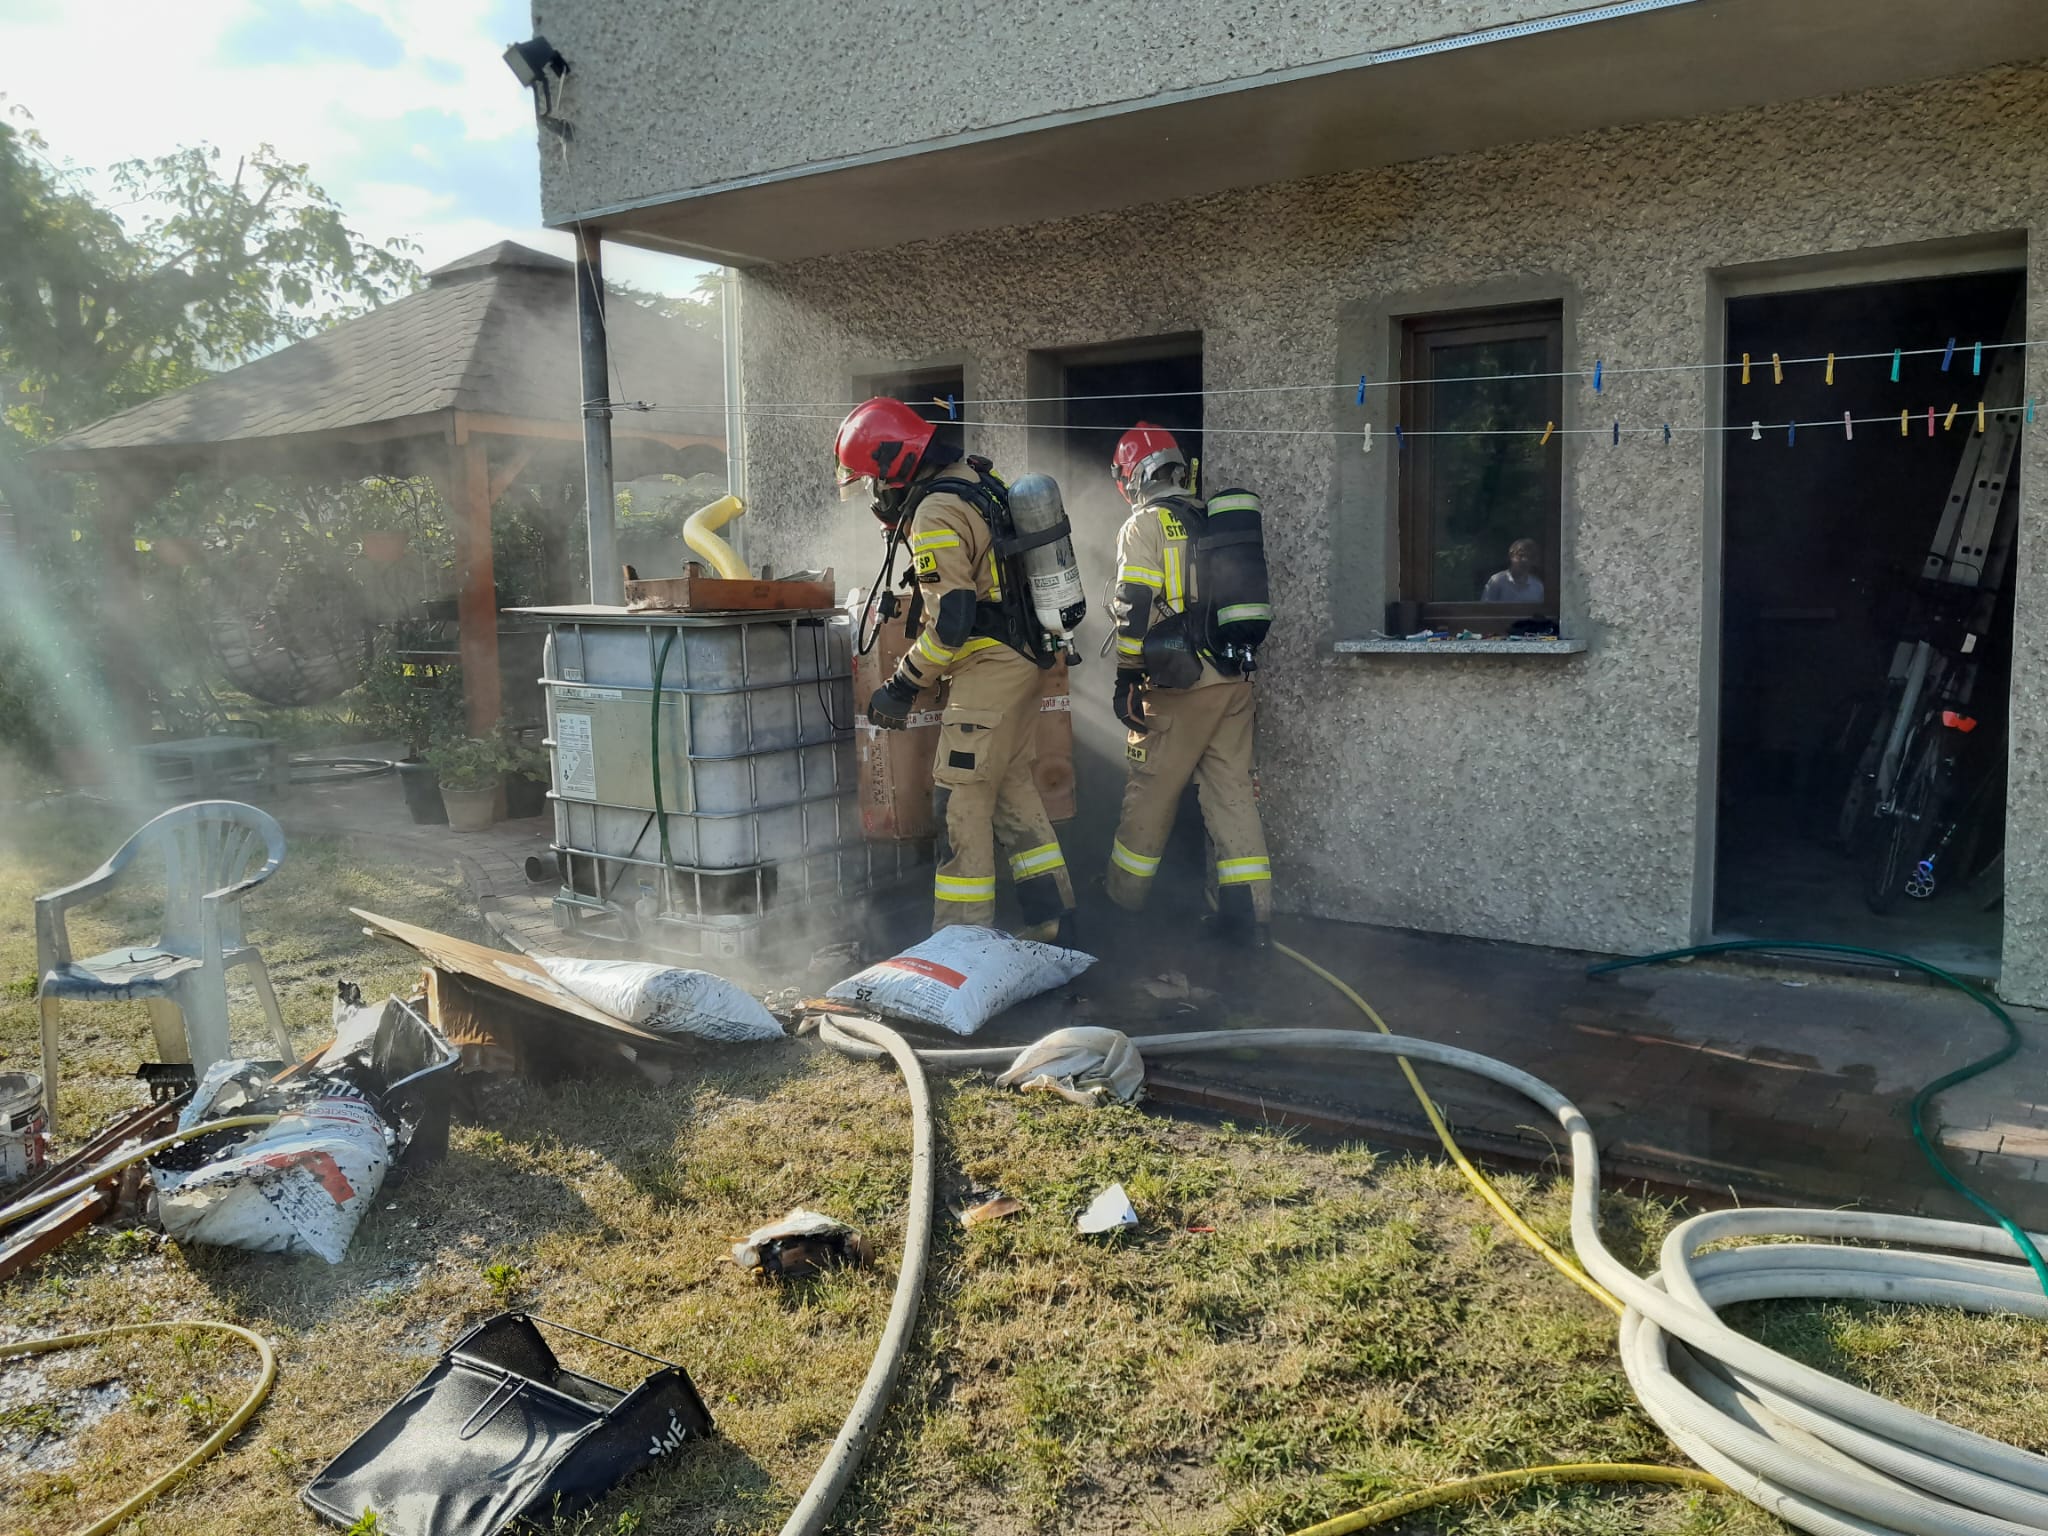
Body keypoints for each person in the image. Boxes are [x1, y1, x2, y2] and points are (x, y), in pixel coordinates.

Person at [833, 397, 1076, 942]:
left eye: (873, 480)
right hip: (1022, 659)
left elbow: (952, 621)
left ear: (894, 467)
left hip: (990, 666)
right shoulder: (973, 479)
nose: (875, 495)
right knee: (1012, 792)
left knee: (958, 801)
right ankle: (1054, 921)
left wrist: (903, 684)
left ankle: (960, 940)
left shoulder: (934, 512)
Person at [1103, 423, 1273, 947]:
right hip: (1232, 680)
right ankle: (1249, 921)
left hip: (1179, 688)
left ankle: (1120, 908)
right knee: (1232, 795)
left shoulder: (1144, 525)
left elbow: (1133, 606)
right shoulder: (1211, 519)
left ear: (1132, 477)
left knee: (1149, 793)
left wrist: (1126, 676)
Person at [1482, 538, 1545, 603]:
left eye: (1529, 557)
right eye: (1521, 555)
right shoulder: (1497, 581)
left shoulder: (1537, 586)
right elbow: (1485, 607)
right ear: (1511, 556)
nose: (1525, 560)